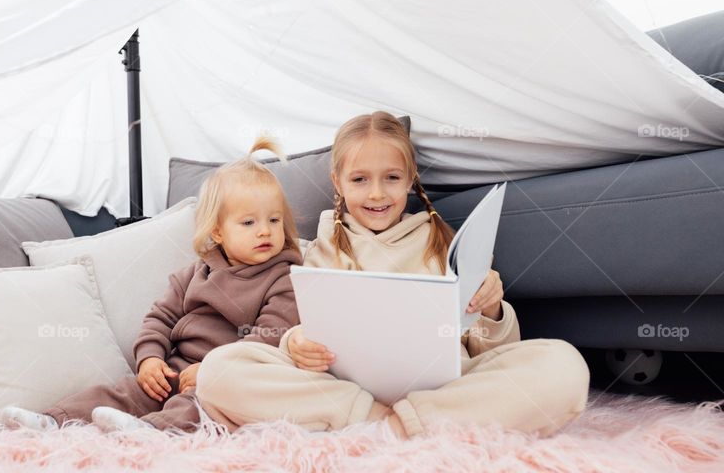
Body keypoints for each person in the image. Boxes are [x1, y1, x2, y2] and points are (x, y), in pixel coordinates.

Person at [197, 111, 590, 438]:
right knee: (219, 371)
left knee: (565, 367)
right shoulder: (321, 249)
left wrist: (491, 311)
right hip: (348, 391)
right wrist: (296, 343)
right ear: (337, 182)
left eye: (391, 178)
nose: (377, 195)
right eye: (360, 179)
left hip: (443, 388)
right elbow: (302, 335)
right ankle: (389, 424)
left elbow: (485, 347)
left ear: (409, 178)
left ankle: (398, 427)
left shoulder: (439, 242)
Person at [0, 136, 302, 431]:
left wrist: (213, 372)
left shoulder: (284, 277)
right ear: (218, 232)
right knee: (124, 392)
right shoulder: (197, 273)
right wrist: (150, 360)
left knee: (196, 405)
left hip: (227, 379)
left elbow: (267, 341)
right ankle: (52, 420)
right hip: (177, 367)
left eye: (274, 220)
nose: (264, 231)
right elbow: (159, 319)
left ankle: (150, 433)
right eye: (249, 223)